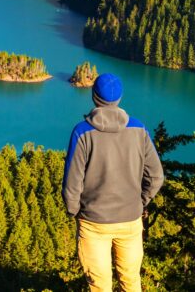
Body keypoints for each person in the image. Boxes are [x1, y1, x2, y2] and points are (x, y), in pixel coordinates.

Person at [62, 73, 164, 292]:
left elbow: (72, 184)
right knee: (130, 281)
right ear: (119, 98)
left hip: (94, 223)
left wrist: (75, 212)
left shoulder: (82, 133)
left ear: (94, 96)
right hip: (130, 221)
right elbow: (156, 177)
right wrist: (140, 202)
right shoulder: (139, 130)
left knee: (100, 285)